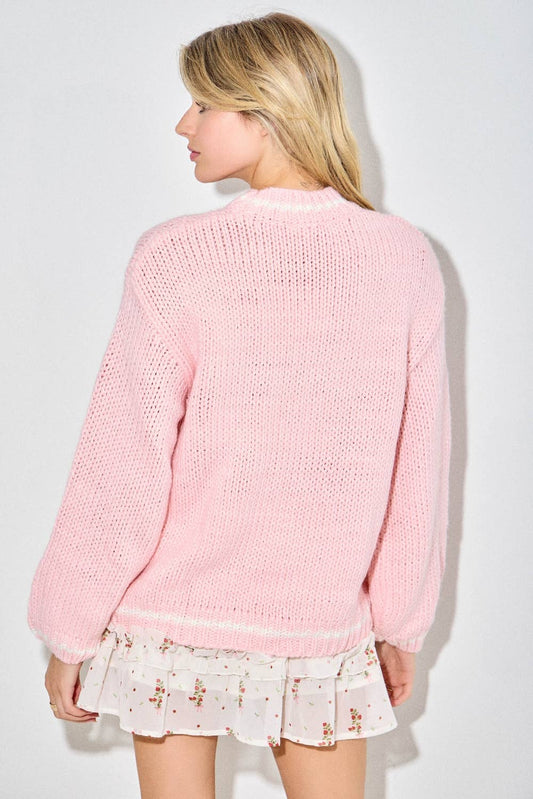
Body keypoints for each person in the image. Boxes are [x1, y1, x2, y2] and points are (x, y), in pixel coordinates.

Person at [28, 11, 451, 799]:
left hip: (172, 626)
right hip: (318, 627)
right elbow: (415, 467)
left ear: (264, 109)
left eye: (202, 103)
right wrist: (400, 622)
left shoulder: (177, 255)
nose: (182, 124)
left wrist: (70, 627)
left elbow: (122, 464)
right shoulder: (402, 257)